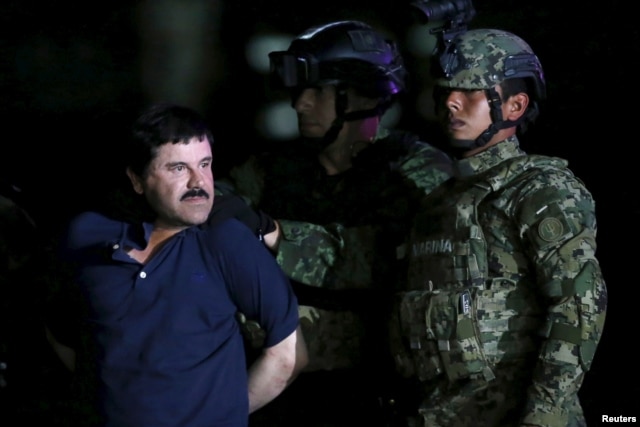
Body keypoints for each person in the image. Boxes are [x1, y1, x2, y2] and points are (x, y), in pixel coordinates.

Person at [214, 20, 453, 426]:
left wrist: (274, 234)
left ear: (359, 96)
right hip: (280, 385)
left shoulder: (416, 171)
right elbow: (215, 204)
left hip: (372, 387)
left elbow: (380, 259)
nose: (300, 104)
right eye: (300, 90)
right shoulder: (278, 169)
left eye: (318, 91)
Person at [388, 28, 607, 427]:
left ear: (515, 105)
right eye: (446, 90)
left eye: (471, 90)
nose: (451, 102)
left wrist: (546, 413)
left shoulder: (539, 188)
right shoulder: (437, 203)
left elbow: (578, 305)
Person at [44, 103, 308, 427]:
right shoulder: (87, 235)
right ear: (137, 180)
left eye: (205, 164)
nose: (200, 182)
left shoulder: (226, 241)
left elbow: (289, 355)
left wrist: (219, 414)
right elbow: (59, 328)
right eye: (178, 168)